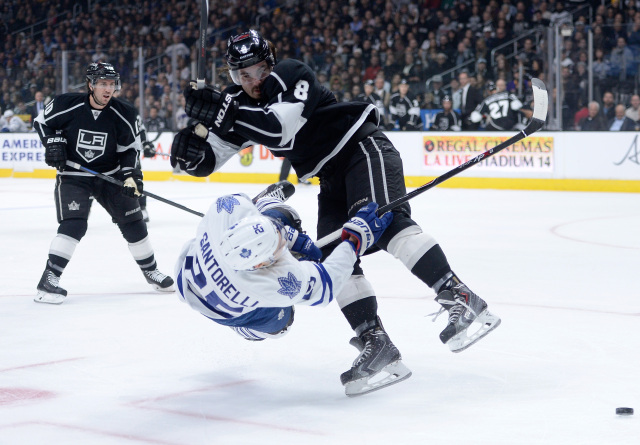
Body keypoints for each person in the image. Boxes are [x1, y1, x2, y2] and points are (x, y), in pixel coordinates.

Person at [170, 30, 501, 396]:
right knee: (335, 253)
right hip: (328, 176)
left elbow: (280, 130)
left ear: (271, 63)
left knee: (386, 225)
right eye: (241, 76)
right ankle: (376, 342)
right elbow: (211, 157)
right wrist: (192, 153)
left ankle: (459, 296)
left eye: (258, 70)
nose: (252, 82)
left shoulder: (292, 75)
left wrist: (222, 110)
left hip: (361, 148)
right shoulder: (235, 102)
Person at [175, 192, 397, 360]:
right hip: (227, 312)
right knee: (283, 322)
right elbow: (328, 283)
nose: (284, 241)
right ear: (261, 265)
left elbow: (257, 216)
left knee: (287, 218)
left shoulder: (227, 209)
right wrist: (355, 241)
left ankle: (270, 221)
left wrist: (284, 232)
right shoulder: (268, 285)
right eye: (278, 248)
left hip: (186, 275)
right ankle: (248, 329)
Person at [32, 62, 174, 304]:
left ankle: (151, 271)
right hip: (74, 175)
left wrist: (130, 176)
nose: (108, 89)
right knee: (74, 225)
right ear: (90, 84)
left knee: (134, 222)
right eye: (102, 83)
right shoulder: (66, 104)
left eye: (111, 84)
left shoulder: (124, 113)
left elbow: (129, 150)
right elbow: (41, 123)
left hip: (111, 174)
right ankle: (49, 278)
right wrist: (53, 142)